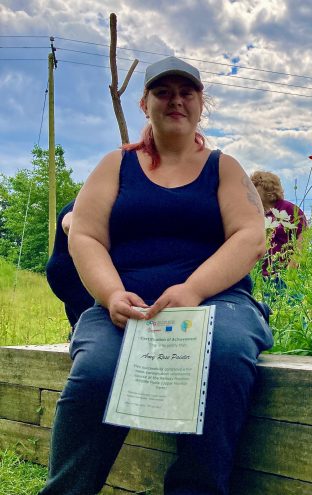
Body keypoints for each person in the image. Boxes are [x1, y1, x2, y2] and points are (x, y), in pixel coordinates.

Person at [39, 56, 273, 495]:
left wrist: (193, 290)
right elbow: (85, 235)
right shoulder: (115, 166)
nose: (176, 101)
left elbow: (248, 235)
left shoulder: (224, 168)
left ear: (202, 102)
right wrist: (110, 294)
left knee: (222, 356)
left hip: (216, 302)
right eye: (163, 92)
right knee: (97, 371)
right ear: (145, 102)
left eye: (186, 92)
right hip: (124, 306)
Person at [45, 199, 95, 339]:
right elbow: (69, 223)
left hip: (67, 272)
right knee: (91, 323)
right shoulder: (88, 200)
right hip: (71, 273)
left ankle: (76, 337)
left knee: (81, 321)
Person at [250, 171, 307, 284]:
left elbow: (303, 237)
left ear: (270, 192)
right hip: (261, 277)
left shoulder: (289, 209)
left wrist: (292, 268)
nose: (252, 192)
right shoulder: (255, 214)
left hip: (285, 275)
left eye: (257, 187)